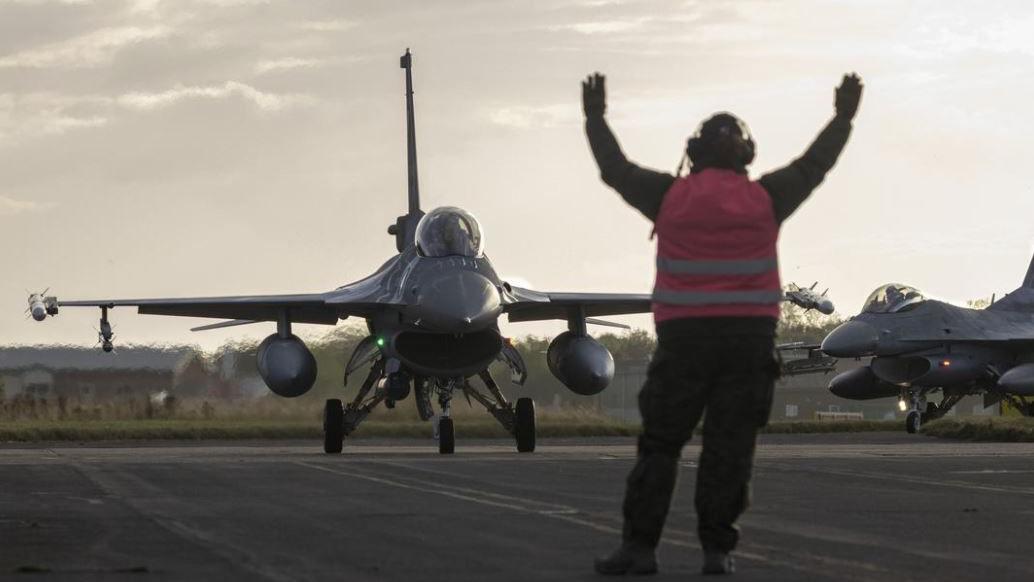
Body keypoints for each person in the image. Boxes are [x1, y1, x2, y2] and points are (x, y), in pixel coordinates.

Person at [584, 72, 862, 575]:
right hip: (747, 346)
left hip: (684, 343)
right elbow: (816, 164)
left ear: (693, 153)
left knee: (661, 447)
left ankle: (640, 549)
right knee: (729, 451)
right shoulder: (768, 198)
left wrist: (595, 117)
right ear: (747, 154)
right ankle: (717, 553)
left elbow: (614, 168)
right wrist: (843, 117)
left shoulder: (667, 196)